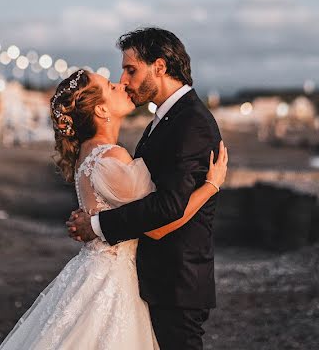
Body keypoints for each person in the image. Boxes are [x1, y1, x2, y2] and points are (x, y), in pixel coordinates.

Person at [0, 65, 228, 349]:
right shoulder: (112, 156)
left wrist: (94, 225)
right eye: (110, 86)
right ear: (101, 111)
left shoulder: (88, 155)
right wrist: (211, 186)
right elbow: (159, 221)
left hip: (93, 271)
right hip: (115, 281)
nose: (121, 84)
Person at [67, 28, 223, 350]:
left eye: (131, 69)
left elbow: (167, 208)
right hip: (156, 280)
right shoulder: (163, 120)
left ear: (160, 67)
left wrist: (96, 225)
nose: (123, 80)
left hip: (178, 282)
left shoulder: (190, 121)